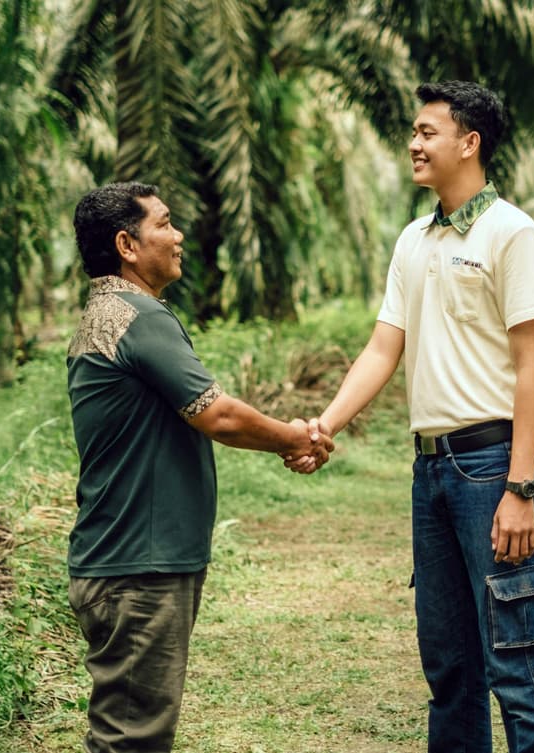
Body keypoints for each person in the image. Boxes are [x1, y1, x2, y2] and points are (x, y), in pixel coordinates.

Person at [299, 81, 534, 752]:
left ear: (469, 143)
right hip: (431, 471)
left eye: (427, 132)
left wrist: (520, 487)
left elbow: (533, 366)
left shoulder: (512, 233)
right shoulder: (413, 240)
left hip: (490, 468)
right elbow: (383, 347)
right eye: (413, 133)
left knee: (514, 658)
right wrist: (324, 425)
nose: (413, 144)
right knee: (450, 667)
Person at [66, 181, 333, 753]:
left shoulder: (109, 313)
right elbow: (219, 416)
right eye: (164, 223)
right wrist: (295, 437)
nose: (179, 235)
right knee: (132, 740)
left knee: (128, 732)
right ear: (127, 245)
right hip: (140, 567)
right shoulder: (137, 316)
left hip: (126, 561)